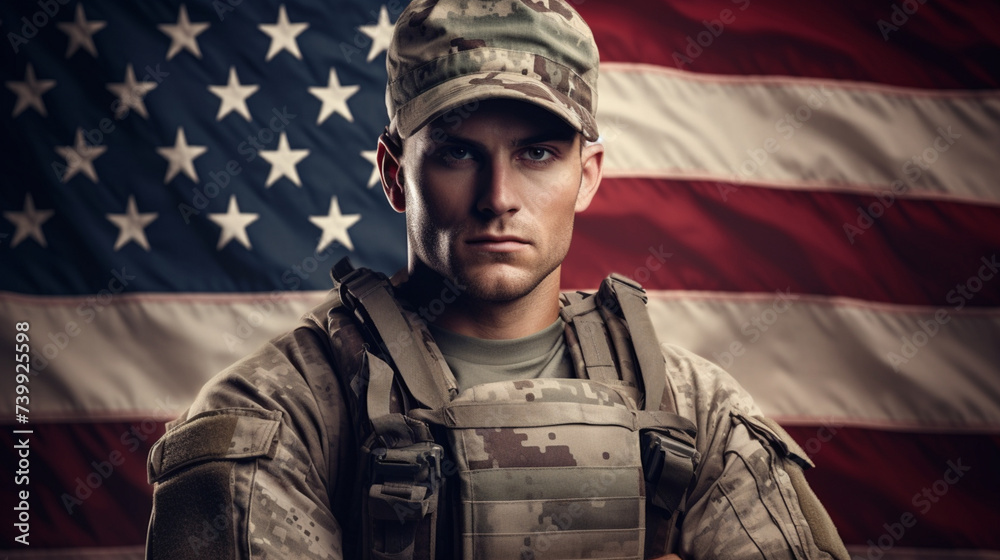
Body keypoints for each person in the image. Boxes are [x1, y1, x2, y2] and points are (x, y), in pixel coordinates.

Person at [144, 1, 849, 558]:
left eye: (538, 152)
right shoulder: (280, 413)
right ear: (396, 173)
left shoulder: (693, 409)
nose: (499, 195)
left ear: (587, 176)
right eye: (457, 153)